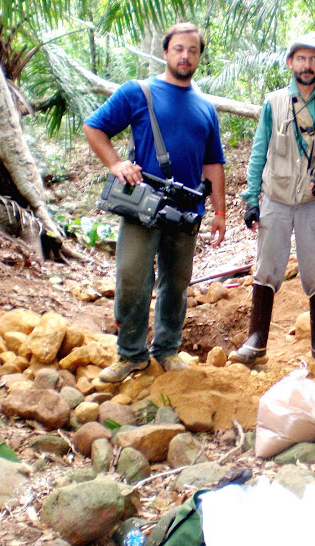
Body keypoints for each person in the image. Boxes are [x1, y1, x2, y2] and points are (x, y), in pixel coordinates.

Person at [83, 23, 226, 382]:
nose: (185, 55)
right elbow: (94, 126)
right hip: (143, 205)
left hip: (185, 211)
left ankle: (167, 349)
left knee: (176, 283)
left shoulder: (206, 107)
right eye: (178, 48)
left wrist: (220, 212)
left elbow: (213, 164)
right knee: (132, 277)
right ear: (165, 52)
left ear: (199, 57)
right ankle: (131, 354)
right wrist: (116, 164)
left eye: (192, 50)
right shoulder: (138, 92)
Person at [232, 33, 315, 367]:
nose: (307, 65)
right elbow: (259, 151)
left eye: (314, 59)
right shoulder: (273, 103)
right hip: (275, 197)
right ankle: (257, 339)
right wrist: (251, 199)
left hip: (314, 201)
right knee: (266, 266)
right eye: (301, 59)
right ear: (290, 63)